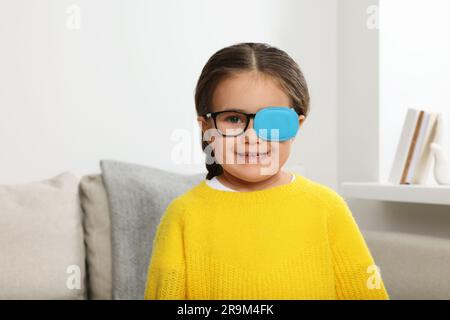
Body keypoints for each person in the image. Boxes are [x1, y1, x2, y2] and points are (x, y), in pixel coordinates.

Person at [144, 42, 389, 300]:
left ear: (296, 125)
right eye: (234, 119)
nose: (252, 136)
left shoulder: (327, 208)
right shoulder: (183, 216)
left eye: (271, 120)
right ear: (206, 127)